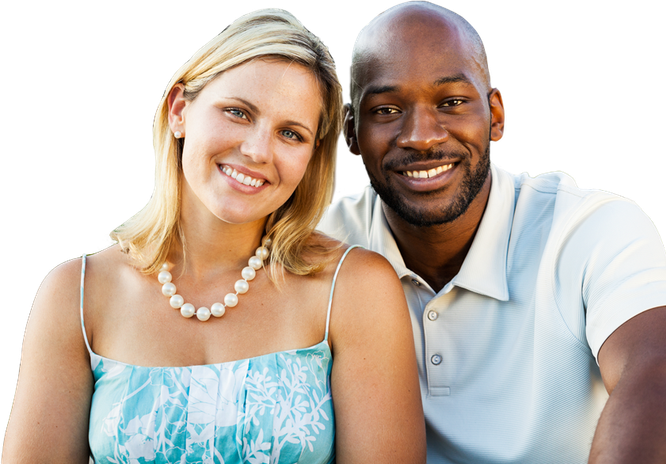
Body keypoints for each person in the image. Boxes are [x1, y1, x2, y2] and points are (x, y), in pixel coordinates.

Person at [4, 8, 426, 463]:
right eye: (238, 113)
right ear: (180, 111)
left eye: (291, 133)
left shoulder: (354, 289)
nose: (258, 151)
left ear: (310, 159)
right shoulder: (77, 294)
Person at [317, 1, 666, 463]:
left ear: (497, 115)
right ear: (350, 131)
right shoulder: (317, 248)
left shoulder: (588, 228)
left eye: (451, 102)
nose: (422, 136)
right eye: (386, 109)